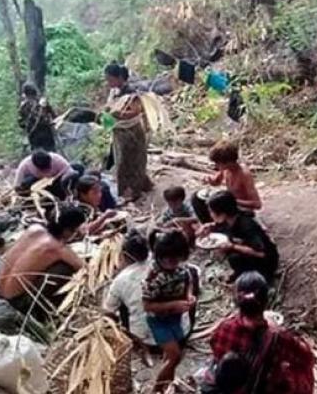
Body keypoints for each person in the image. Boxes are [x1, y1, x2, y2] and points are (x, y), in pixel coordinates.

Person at [199, 272, 315, 394]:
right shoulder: (279, 338)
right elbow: (308, 358)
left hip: (228, 389)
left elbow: (215, 348)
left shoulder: (225, 327)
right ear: (266, 301)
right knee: (299, 371)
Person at [0, 205, 87, 322]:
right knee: (65, 268)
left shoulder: (34, 229)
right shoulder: (57, 248)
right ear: (67, 230)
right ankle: (43, 313)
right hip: (16, 302)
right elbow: (84, 267)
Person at [142, 230, 197, 394]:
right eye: (170, 260)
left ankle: (168, 385)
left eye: (177, 259)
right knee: (175, 356)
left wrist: (189, 295)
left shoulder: (181, 267)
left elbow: (188, 282)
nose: (174, 263)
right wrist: (174, 304)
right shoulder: (153, 277)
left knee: (169, 358)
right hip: (158, 320)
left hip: (175, 317)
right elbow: (147, 306)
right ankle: (156, 390)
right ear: (160, 256)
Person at [201, 190, 279, 284]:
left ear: (222, 214)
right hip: (249, 254)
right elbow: (221, 228)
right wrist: (211, 227)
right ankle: (241, 272)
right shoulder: (230, 219)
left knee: (234, 256)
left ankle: (258, 277)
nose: (210, 215)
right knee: (231, 253)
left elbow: (261, 253)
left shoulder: (246, 225)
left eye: (211, 212)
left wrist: (233, 246)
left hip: (266, 261)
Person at [105, 63, 154, 199]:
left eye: (110, 79)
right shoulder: (114, 91)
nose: (108, 82)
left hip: (132, 131)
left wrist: (116, 113)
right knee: (124, 162)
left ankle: (132, 193)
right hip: (119, 131)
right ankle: (144, 185)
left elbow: (135, 111)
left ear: (119, 77)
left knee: (130, 163)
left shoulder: (131, 91)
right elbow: (109, 107)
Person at [192, 141, 262, 223]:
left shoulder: (244, 174)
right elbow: (216, 182)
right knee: (196, 198)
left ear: (228, 162)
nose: (216, 166)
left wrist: (233, 201)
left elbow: (257, 204)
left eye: (218, 163)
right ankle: (209, 225)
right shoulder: (225, 169)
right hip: (229, 206)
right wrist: (209, 180)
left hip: (242, 210)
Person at [18, 82, 56, 152]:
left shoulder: (23, 106)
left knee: (36, 155)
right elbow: (54, 115)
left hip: (33, 134)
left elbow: (21, 123)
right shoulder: (43, 102)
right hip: (46, 131)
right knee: (51, 153)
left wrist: (28, 127)